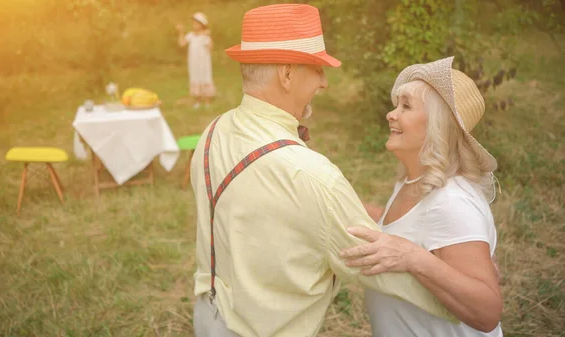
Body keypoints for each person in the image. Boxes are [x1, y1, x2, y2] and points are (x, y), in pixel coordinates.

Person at [190, 4, 455, 337]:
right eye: (317, 69)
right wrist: (456, 287)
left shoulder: (213, 132)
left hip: (208, 317)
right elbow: (380, 267)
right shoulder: (312, 176)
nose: (325, 82)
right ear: (286, 74)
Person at [340, 57, 504, 336]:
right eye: (396, 105)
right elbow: (410, 230)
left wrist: (413, 258)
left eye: (406, 106)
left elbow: (487, 311)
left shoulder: (452, 203)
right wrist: (339, 199)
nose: (391, 114)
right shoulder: (414, 181)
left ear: (437, 125)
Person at [176, 12, 216, 109]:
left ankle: (207, 101)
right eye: (193, 23)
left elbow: (210, 49)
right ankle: (197, 101)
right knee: (195, 77)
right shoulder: (191, 35)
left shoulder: (205, 36)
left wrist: (209, 37)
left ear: (202, 25)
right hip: (193, 61)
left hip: (204, 61)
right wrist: (180, 31)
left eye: (197, 23)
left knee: (205, 76)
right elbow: (182, 43)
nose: (194, 25)